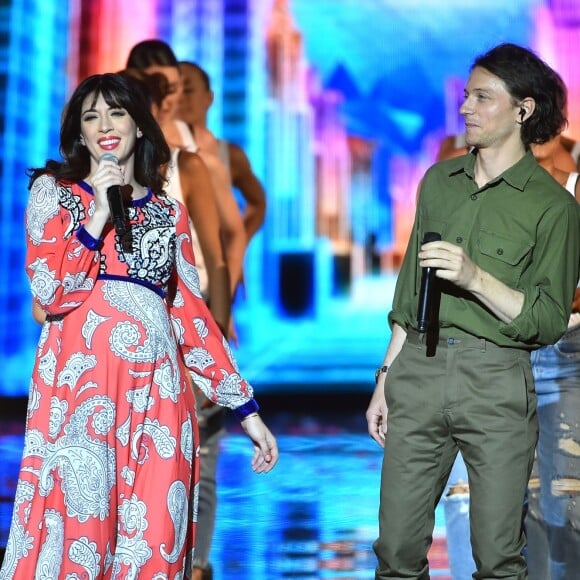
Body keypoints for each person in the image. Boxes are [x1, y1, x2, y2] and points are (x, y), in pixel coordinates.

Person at [0, 73, 278, 579]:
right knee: (79, 548)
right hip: (81, 400)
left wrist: (247, 410)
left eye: (116, 113)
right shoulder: (53, 194)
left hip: (160, 401)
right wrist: (98, 214)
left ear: (139, 125)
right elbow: (51, 293)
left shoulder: (169, 214)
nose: (104, 125)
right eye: (91, 116)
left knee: (155, 546)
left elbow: (193, 318)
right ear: (79, 134)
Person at [365, 42, 580, 579]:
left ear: (522, 110)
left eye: (483, 97)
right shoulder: (440, 181)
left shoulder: (552, 206)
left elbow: (548, 318)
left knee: (499, 557)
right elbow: (409, 292)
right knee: (395, 550)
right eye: (466, 95)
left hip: (496, 378)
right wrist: (385, 376)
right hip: (419, 366)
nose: (466, 108)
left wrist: (474, 278)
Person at [177, 60, 267, 580]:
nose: (181, 98)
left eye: (190, 89)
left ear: (209, 96)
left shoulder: (220, 154)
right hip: (157, 301)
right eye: (174, 89)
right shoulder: (150, 151)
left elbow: (247, 211)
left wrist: (231, 269)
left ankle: (198, 564)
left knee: (203, 446)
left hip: (206, 301)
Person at [126, 40, 247, 305]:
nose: (164, 99)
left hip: (195, 302)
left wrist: (222, 307)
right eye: (154, 87)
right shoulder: (114, 150)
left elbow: (233, 233)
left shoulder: (199, 152)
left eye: (171, 88)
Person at [525, 136, 580, 580]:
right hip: (497, 353)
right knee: (503, 507)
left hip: (568, 349)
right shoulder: (469, 190)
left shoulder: (574, 190)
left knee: (564, 501)